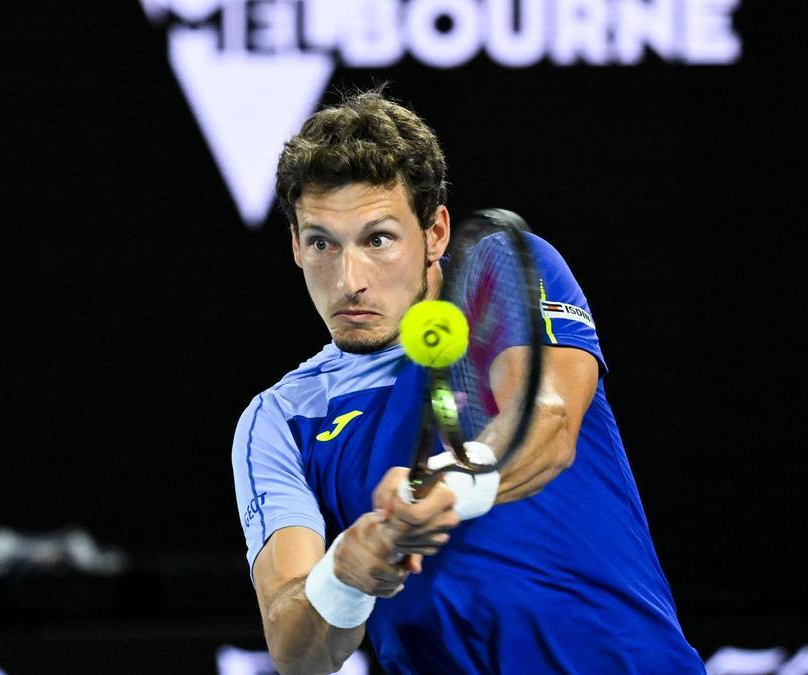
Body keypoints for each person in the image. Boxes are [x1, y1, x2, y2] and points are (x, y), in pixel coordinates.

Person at [231, 89, 705, 674]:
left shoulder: (498, 270)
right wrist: (344, 576)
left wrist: (447, 487)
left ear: (435, 233)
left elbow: (547, 424)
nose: (348, 280)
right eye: (322, 243)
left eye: (378, 239)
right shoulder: (279, 420)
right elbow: (295, 649)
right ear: (297, 249)